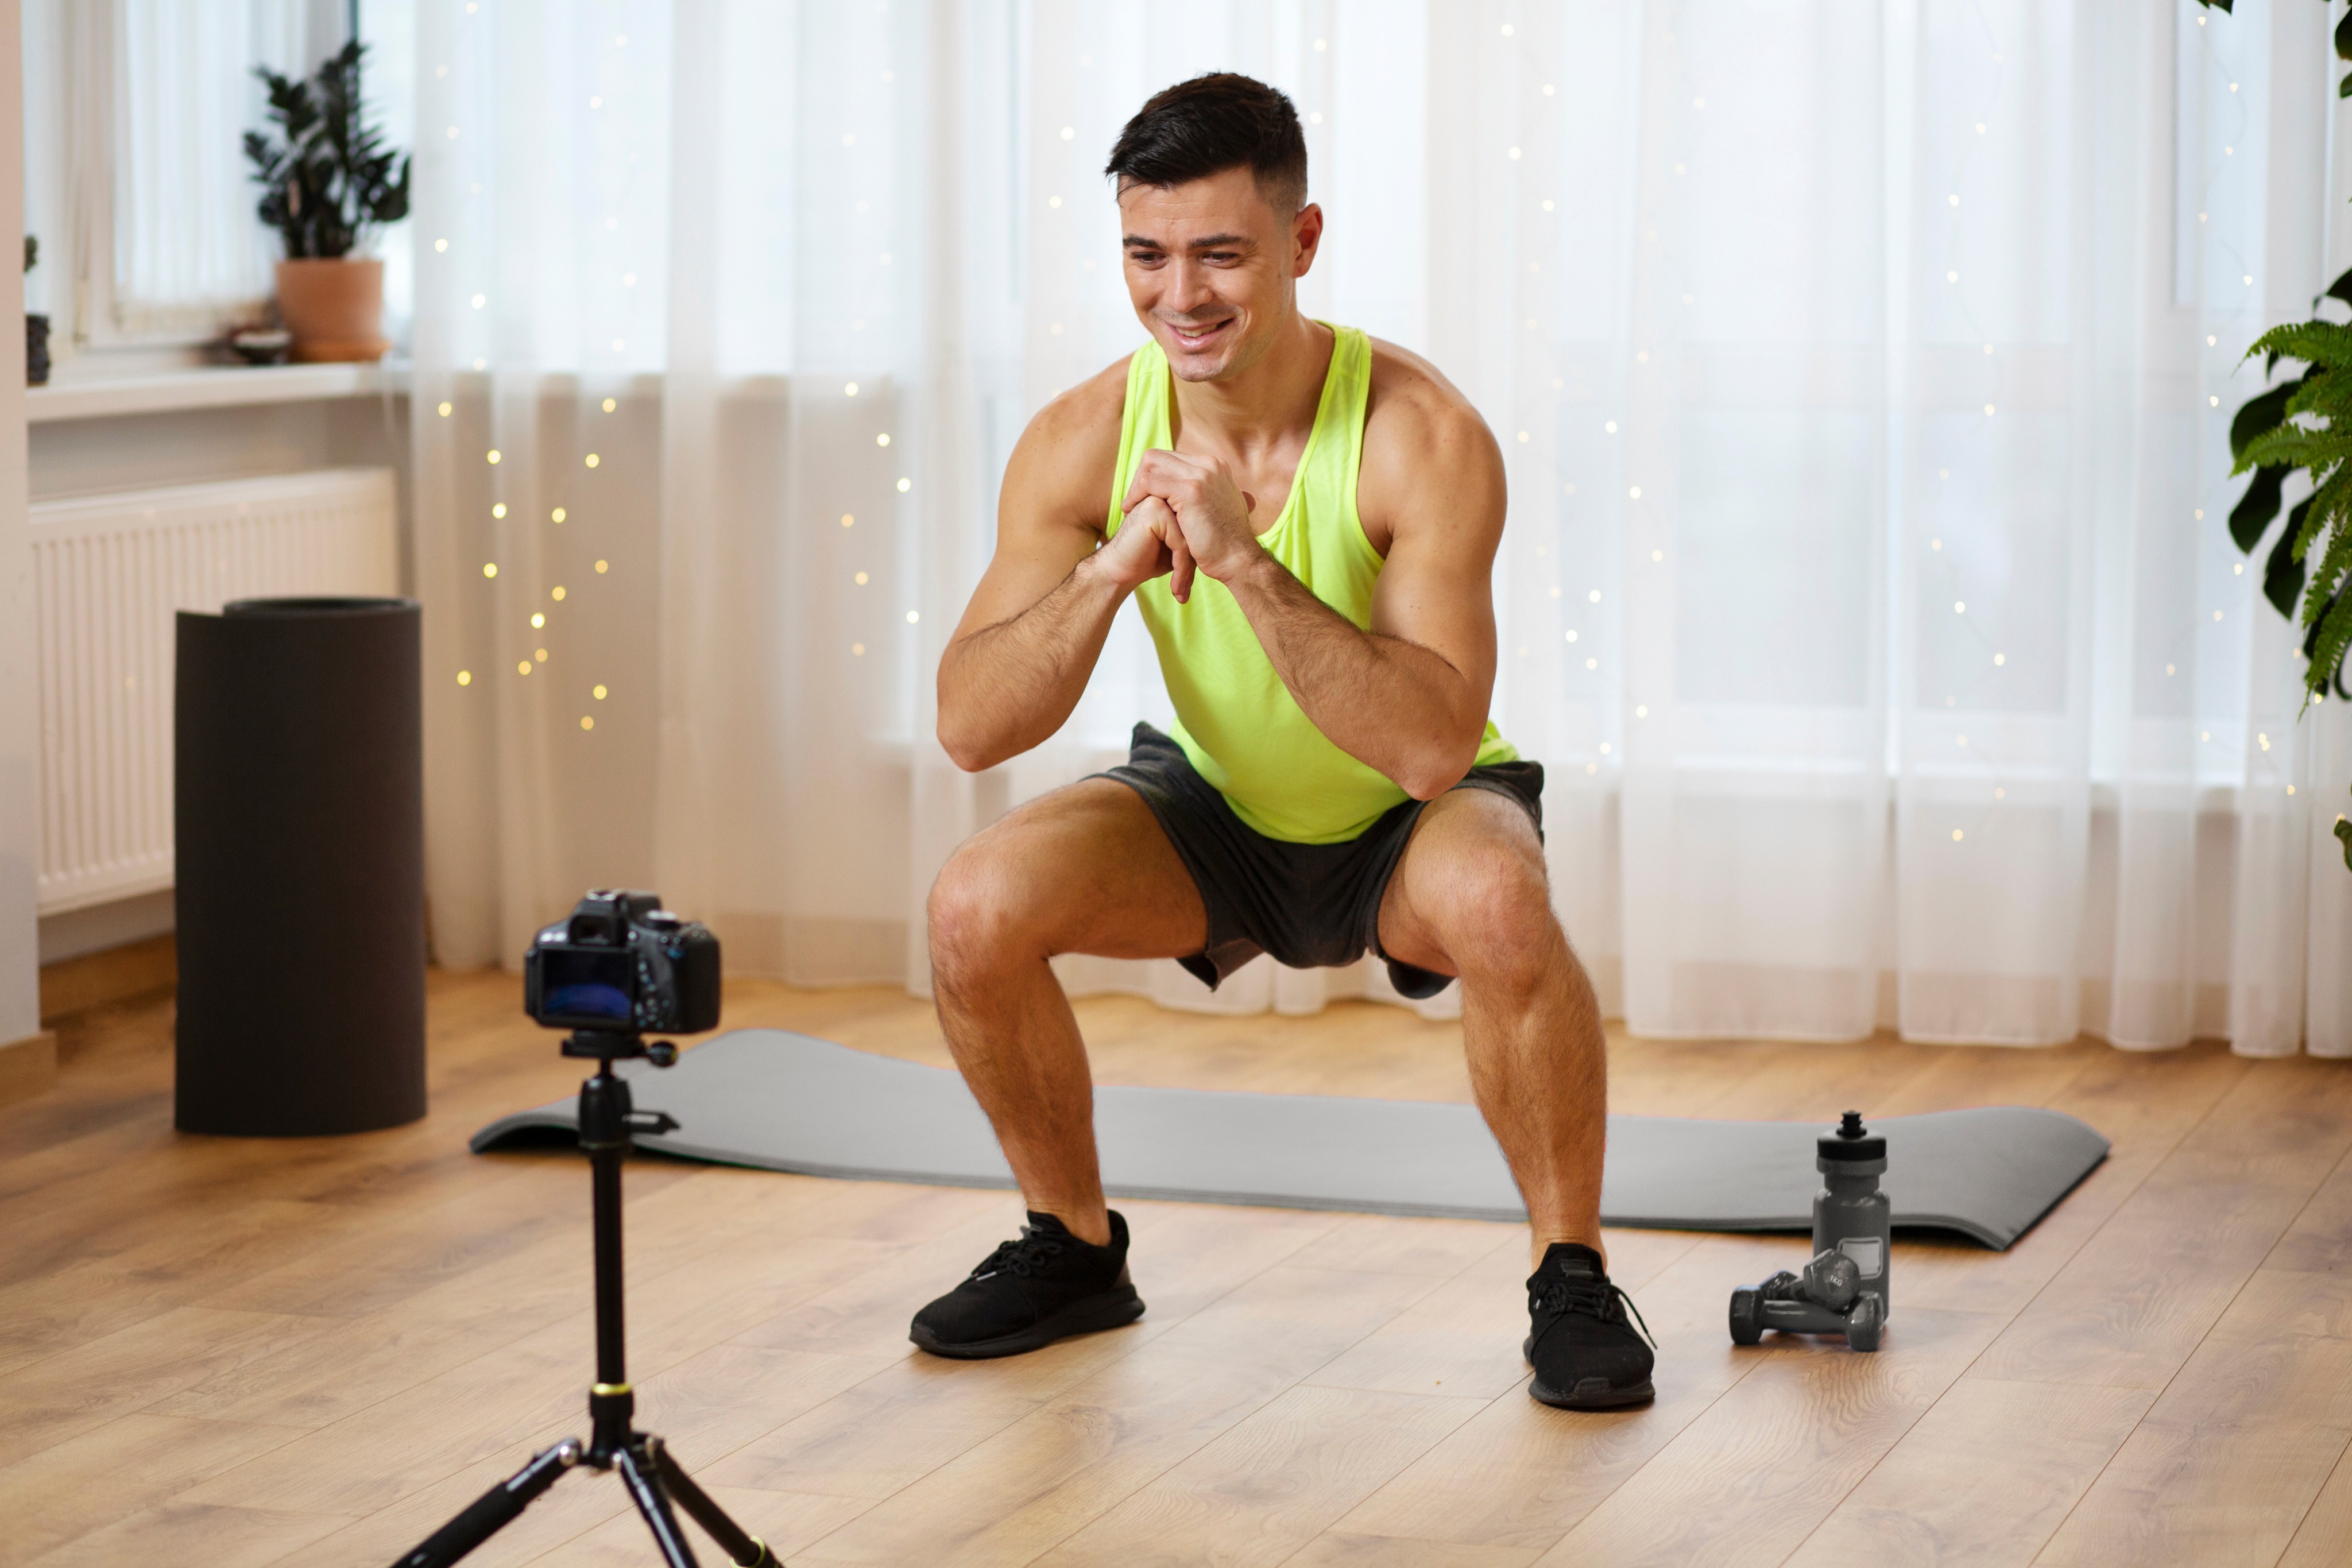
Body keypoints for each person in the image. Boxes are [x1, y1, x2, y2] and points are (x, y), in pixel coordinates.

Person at [911, 73, 1652, 1411]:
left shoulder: (1419, 433)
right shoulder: (1084, 437)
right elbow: (969, 725)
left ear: (1300, 243)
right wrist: (1103, 576)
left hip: (1403, 818)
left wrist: (1247, 566)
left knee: (1497, 894)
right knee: (971, 905)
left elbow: (1431, 746)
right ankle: (1071, 1248)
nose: (1177, 295)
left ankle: (1572, 1272)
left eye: (1219, 255)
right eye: (1145, 255)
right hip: (1214, 804)